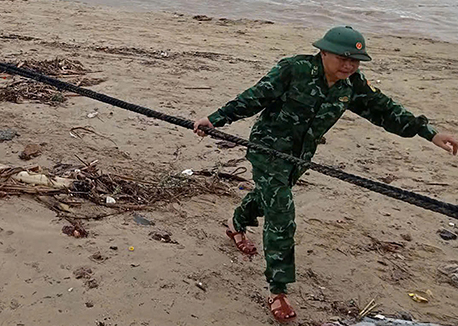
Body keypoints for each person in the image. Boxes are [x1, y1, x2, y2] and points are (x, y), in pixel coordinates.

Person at [192, 26, 458, 323]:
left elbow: (384, 110)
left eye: (355, 60)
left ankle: (236, 222)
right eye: (343, 58)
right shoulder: (294, 69)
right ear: (324, 52)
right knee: (281, 212)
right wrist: (215, 119)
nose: (349, 65)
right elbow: (255, 97)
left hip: (300, 157)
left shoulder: (351, 84)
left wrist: (429, 133)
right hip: (268, 149)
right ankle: (278, 290)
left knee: (269, 197)